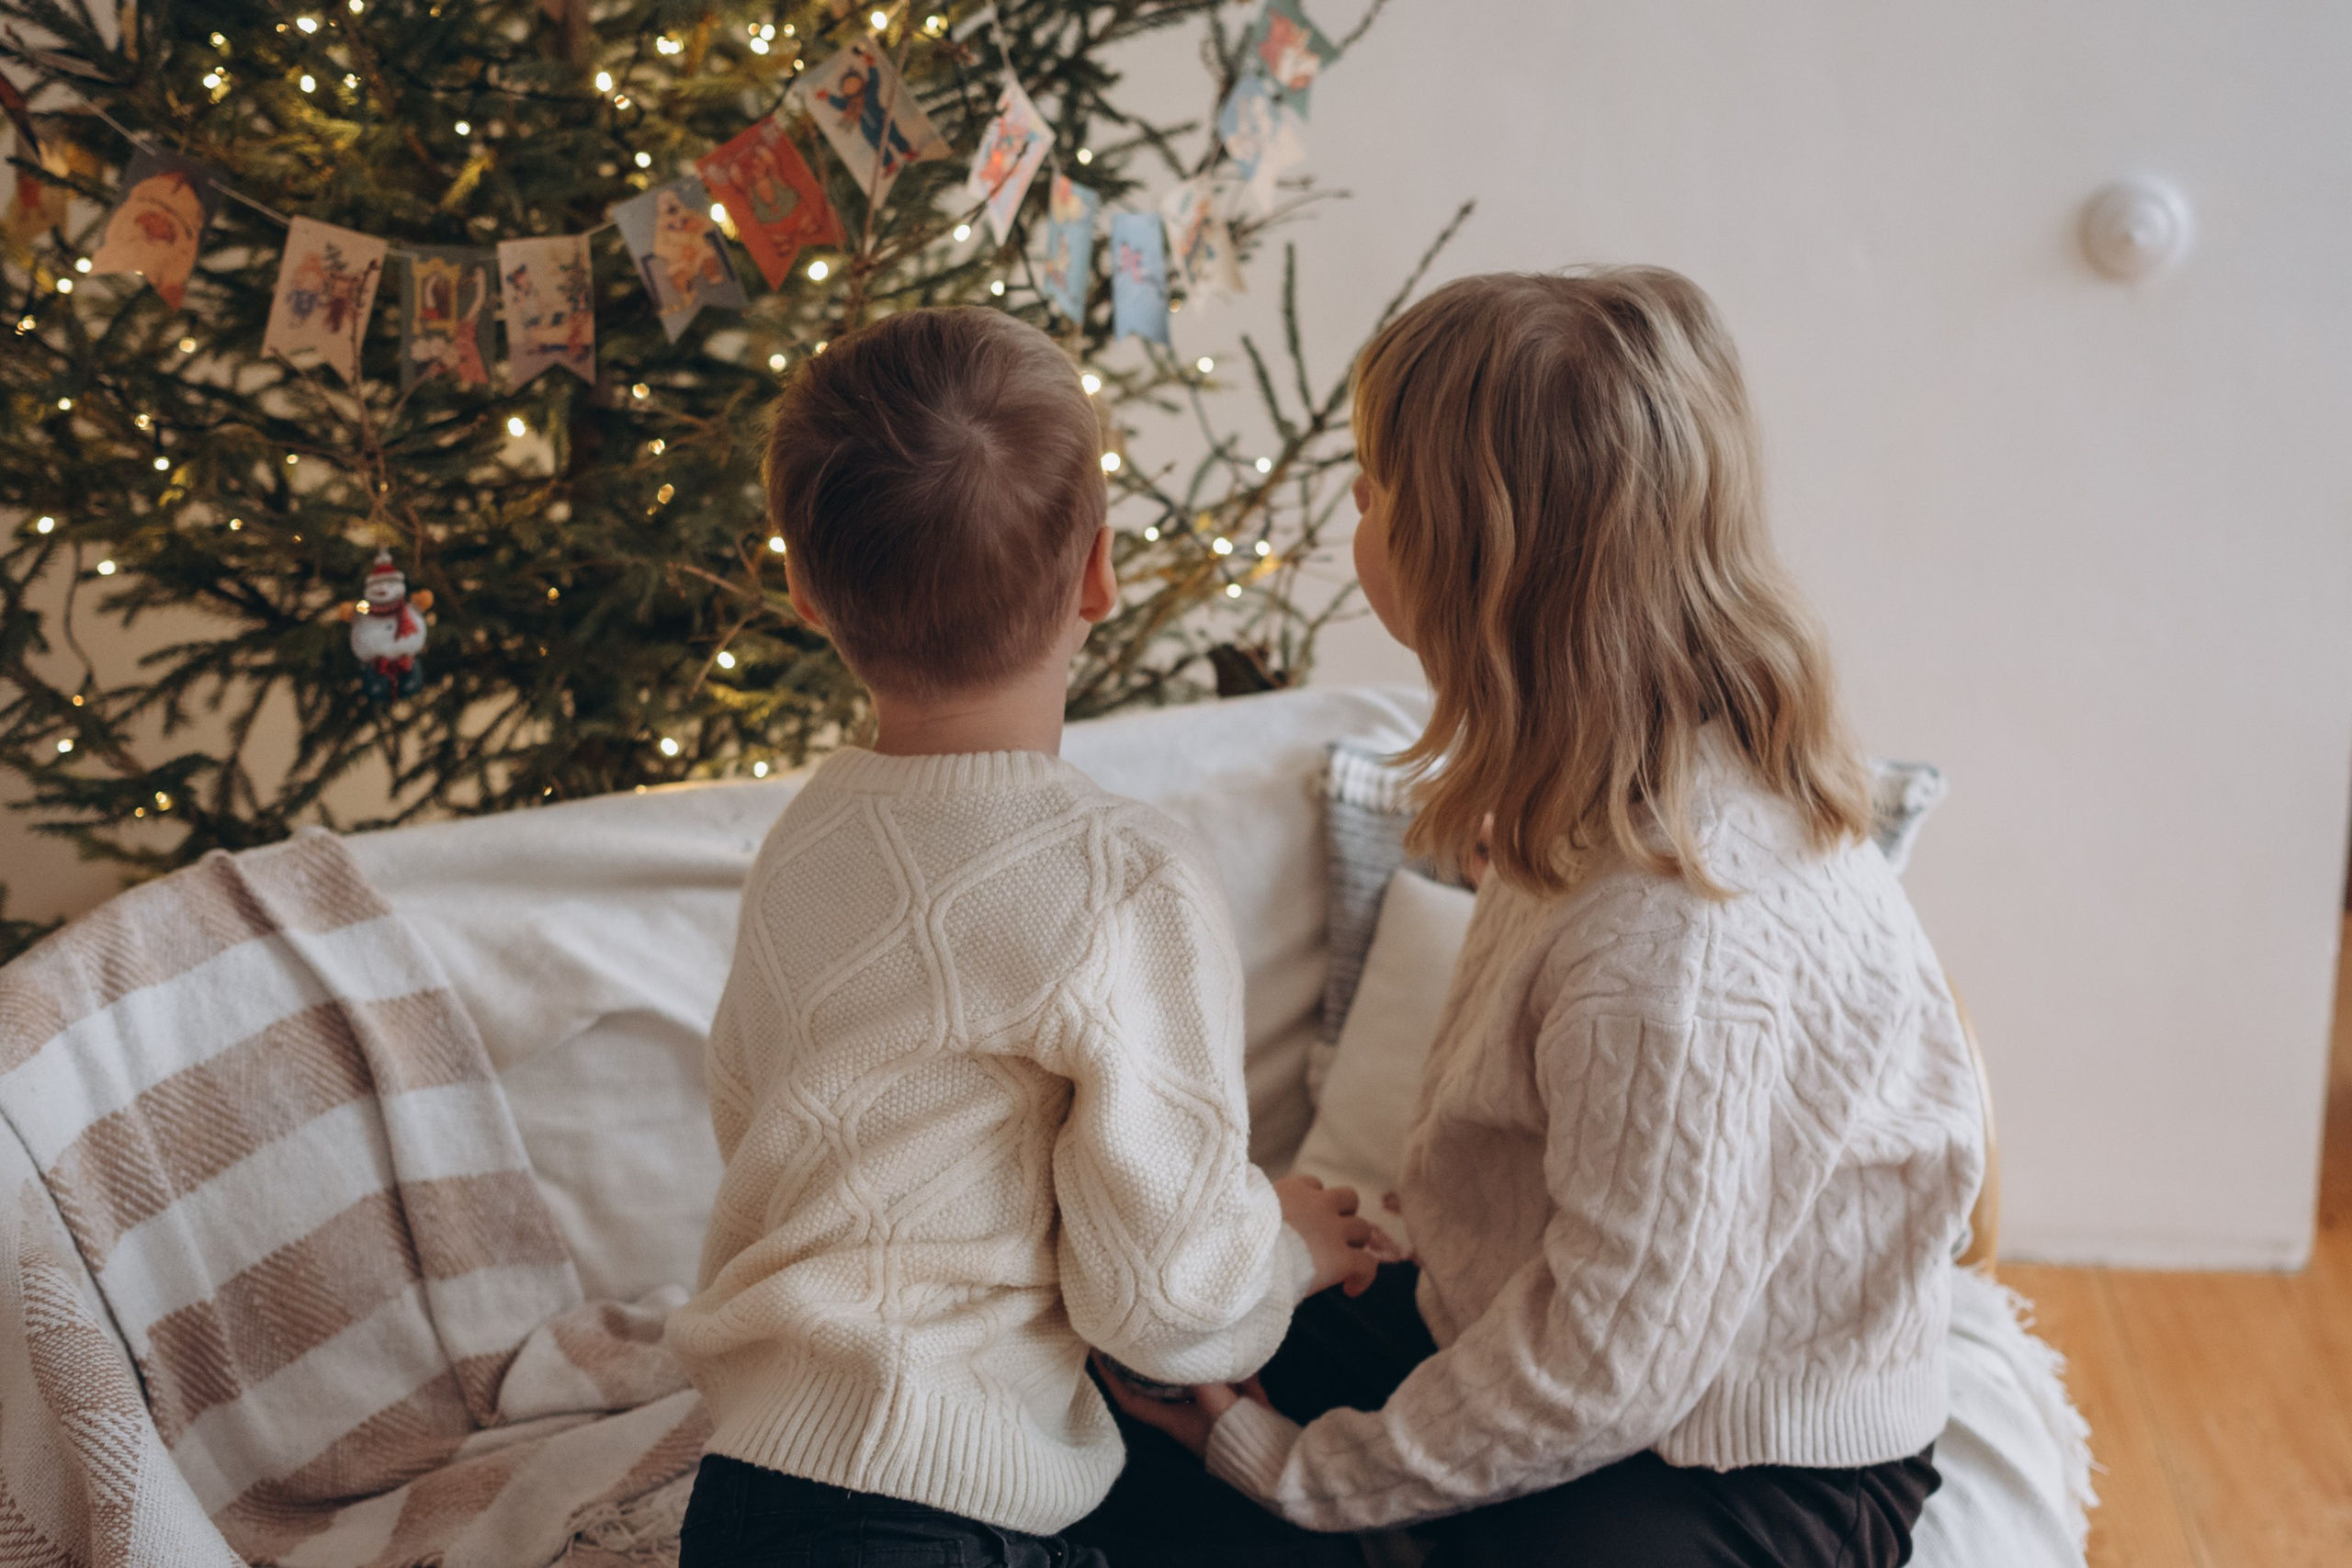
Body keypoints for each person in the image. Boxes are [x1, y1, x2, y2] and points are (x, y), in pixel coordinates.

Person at [1085, 268, 1987, 1568]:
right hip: (1541, 1329)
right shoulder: (1588, 786)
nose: (1355, 511)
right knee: (1107, 1397)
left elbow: (1609, 1368)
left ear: (1474, 561)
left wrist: (1283, 1465)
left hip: (1737, 1451)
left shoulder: (1677, 946)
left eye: (1375, 492)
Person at [663, 307, 1382, 1568]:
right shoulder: (1123, 875)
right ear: (1101, 571)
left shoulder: (804, 839)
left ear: (805, 591)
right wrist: (1288, 1247)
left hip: (752, 1493)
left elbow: (756, 1118)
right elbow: (1165, 1305)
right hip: (954, 1506)